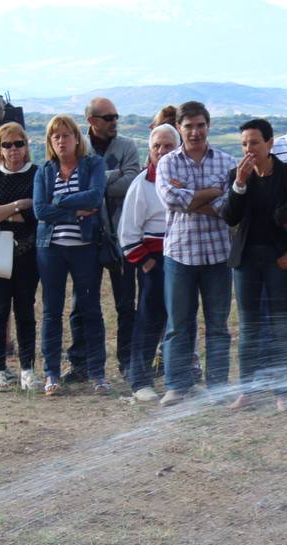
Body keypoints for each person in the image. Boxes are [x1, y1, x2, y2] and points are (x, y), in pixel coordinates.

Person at [223, 118, 287, 411]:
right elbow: (230, 217)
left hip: (280, 260)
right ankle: (246, 391)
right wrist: (239, 184)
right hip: (247, 261)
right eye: (244, 144)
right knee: (249, 326)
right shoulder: (238, 175)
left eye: (254, 143)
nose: (248, 149)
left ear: (269, 143)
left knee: (278, 325)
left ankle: (281, 393)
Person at [155, 100, 237, 406]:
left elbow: (229, 209)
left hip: (218, 255)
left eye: (200, 125)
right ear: (179, 128)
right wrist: (212, 192)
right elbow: (170, 199)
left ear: (208, 126)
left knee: (217, 325)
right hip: (180, 254)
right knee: (179, 324)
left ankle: (217, 386)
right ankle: (177, 385)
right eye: (188, 126)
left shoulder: (228, 162)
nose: (195, 132)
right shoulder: (168, 163)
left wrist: (192, 197)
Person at [65, 97, 141, 384]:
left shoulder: (128, 146)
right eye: (108, 117)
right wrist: (111, 177)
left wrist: (94, 182)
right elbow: (73, 187)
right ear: (92, 121)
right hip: (85, 237)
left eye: (116, 116)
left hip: (122, 237)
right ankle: (81, 363)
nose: (114, 122)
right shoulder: (76, 147)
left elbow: (130, 184)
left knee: (126, 304)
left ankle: (128, 362)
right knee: (82, 303)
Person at [33, 114, 109, 396]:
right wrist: (73, 211)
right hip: (50, 249)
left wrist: (60, 201)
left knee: (90, 310)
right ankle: (51, 373)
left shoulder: (93, 164)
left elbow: (95, 196)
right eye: (56, 136)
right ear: (50, 143)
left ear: (77, 138)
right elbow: (40, 211)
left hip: (85, 248)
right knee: (52, 312)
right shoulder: (44, 171)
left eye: (66, 135)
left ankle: (97, 373)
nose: (61, 140)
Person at [118, 123, 180, 402]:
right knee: (149, 319)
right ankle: (140, 381)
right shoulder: (142, 183)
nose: (162, 151)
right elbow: (128, 231)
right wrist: (145, 263)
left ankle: (180, 379)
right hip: (154, 261)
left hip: (184, 257)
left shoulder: (187, 178)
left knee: (181, 319)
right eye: (157, 146)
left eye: (168, 145)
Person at [0, 122, 40, 392]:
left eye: (18, 144)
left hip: (28, 252)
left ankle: (27, 368)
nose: (13, 150)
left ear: (26, 146)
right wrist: (18, 206)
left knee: (25, 311)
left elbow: (38, 213)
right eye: (7, 145)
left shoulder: (38, 174)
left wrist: (4, 211)